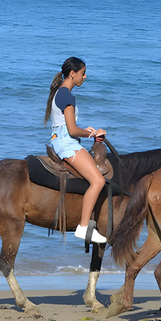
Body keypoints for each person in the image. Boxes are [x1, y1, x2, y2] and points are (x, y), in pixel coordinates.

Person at [44, 56, 108, 244]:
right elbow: (72, 130)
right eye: (82, 73)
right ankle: (83, 226)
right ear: (72, 74)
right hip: (67, 144)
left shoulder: (59, 92)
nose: (85, 77)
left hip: (61, 140)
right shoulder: (67, 95)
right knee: (98, 180)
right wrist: (92, 134)